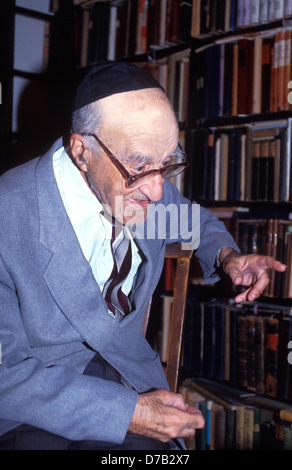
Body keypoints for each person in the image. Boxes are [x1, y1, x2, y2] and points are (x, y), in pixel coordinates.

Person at [0, 62, 286, 450]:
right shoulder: (8, 213)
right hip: (38, 408)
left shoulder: (143, 186)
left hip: (130, 375)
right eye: (138, 165)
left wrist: (227, 255)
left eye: (167, 162)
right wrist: (130, 413)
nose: (156, 190)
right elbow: (6, 377)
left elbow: (193, 221)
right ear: (81, 150)